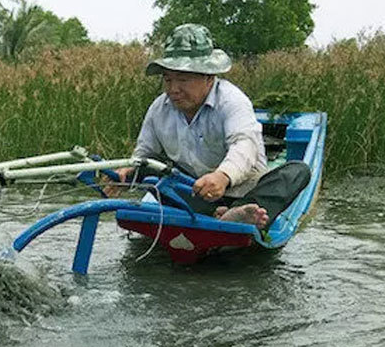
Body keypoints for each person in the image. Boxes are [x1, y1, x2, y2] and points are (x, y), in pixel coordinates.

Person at [114, 24, 310, 230]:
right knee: (148, 167)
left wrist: (222, 176)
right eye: (168, 79)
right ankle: (215, 215)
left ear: (209, 78)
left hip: (245, 190)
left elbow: (243, 144)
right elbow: (145, 152)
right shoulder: (159, 108)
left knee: (297, 171)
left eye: (183, 80)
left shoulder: (232, 100)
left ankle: (239, 213)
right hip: (195, 193)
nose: (173, 89)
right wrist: (127, 172)